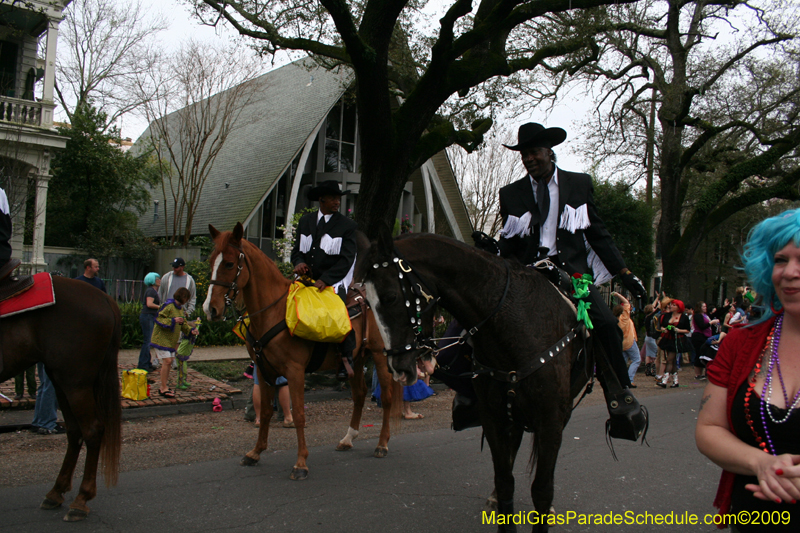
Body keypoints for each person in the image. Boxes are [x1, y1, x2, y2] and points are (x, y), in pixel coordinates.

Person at [495, 122, 648, 440]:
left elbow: (598, 234)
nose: (529, 159)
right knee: (481, 317)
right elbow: (508, 245)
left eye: (534, 152)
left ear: (549, 152)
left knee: (605, 324)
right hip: (526, 273)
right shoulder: (511, 194)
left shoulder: (578, 185)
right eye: (524, 154)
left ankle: (620, 398)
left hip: (571, 276)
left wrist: (625, 273)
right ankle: (470, 394)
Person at [696, 208, 800, 529]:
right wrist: (762, 463)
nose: (790, 272)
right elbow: (708, 429)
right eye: (780, 260)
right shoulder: (740, 343)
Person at [290, 180, 358, 381]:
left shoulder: (347, 226)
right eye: (333, 198)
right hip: (306, 279)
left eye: (339, 198)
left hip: (334, 280)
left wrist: (326, 280)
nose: (337, 202)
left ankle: (346, 356)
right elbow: (297, 251)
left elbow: (346, 260)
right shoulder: (305, 221)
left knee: (339, 310)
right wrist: (299, 262)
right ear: (322, 199)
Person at [149, 287, 198, 398]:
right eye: (187, 298)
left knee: (169, 362)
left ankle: (164, 386)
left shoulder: (181, 310)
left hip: (170, 341)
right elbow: (158, 318)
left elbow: (184, 325)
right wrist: (173, 320)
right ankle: (163, 388)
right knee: (167, 361)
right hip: (161, 338)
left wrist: (191, 331)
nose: (187, 300)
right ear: (183, 297)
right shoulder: (168, 306)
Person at [656, 299, 690, 388]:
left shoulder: (684, 317)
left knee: (669, 360)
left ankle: (664, 381)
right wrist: (664, 329)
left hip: (678, 340)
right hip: (668, 339)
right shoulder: (667, 315)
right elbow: (662, 325)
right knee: (673, 361)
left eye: (674, 305)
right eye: (671, 305)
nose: (671, 306)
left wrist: (679, 330)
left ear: (679, 307)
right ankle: (675, 381)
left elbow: (687, 330)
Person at [612, 291, 641, 388]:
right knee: (636, 359)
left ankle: (620, 380)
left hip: (621, 343)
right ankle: (629, 379)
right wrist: (617, 294)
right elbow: (626, 302)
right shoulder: (624, 317)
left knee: (623, 363)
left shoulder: (615, 320)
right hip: (629, 341)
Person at [137, 272, 161, 372]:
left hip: (150, 316)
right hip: (148, 316)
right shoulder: (151, 291)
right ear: (153, 280)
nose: (159, 280)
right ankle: (143, 364)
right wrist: (161, 307)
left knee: (149, 341)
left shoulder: (153, 291)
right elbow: (149, 304)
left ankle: (147, 362)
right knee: (147, 341)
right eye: (158, 279)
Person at [691, 301, 718, 381]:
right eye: (703, 307)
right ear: (699, 307)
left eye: (705, 306)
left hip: (705, 336)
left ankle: (703, 372)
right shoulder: (697, 316)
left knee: (704, 354)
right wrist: (711, 323)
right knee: (699, 353)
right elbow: (702, 326)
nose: (705, 308)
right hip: (698, 336)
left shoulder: (705, 315)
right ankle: (697, 374)